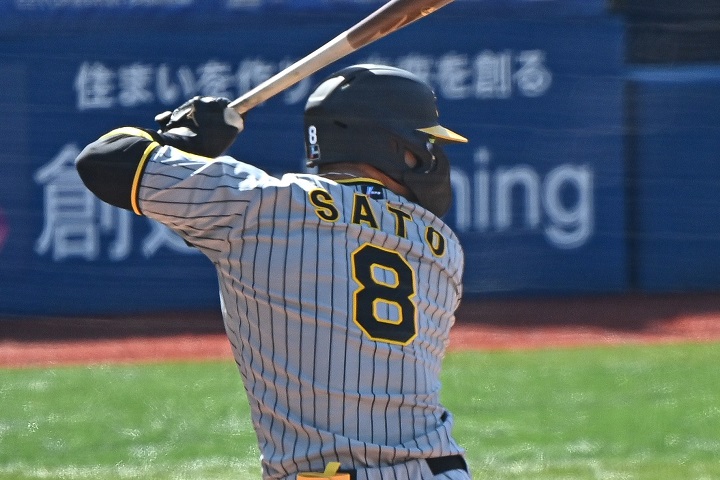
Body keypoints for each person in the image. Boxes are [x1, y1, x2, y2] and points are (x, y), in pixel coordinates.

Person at [75, 64, 470, 480]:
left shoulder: (261, 205)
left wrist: (183, 141)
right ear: (394, 143)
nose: (432, 154)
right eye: (425, 141)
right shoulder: (442, 248)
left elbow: (105, 159)